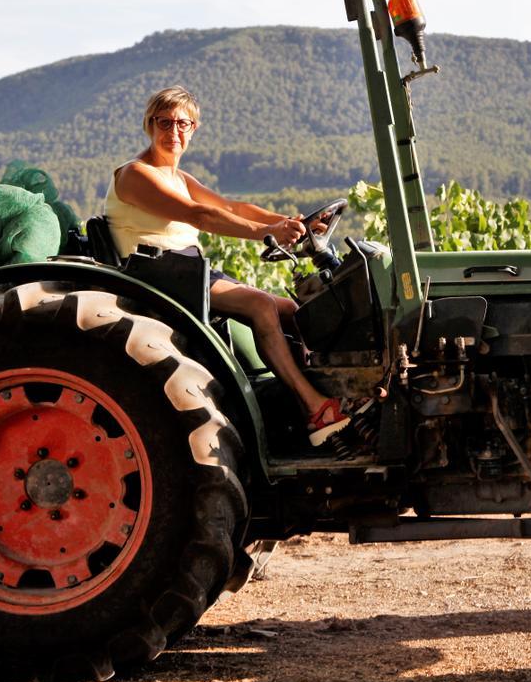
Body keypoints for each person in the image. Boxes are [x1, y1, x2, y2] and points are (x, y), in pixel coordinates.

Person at [105, 86, 359, 445]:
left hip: (186, 271)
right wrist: (268, 232)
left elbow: (231, 207)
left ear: (194, 129)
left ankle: (338, 388)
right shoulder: (135, 174)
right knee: (260, 305)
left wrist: (293, 223)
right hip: (157, 274)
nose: (173, 132)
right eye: (165, 122)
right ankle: (314, 408)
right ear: (150, 125)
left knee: (292, 309)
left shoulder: (177, 178)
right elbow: (201, 215)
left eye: (182, 123)